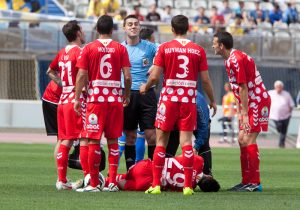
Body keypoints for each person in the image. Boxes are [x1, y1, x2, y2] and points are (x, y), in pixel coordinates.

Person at [140, 15, 216, 196]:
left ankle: (156, 184)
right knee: (187, 143)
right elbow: (205, 80)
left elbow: (155, 76)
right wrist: (212, 100)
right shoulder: (198, 50)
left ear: (172, 29)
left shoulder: (165, 48)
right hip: (188, 100)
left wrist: (146, 86)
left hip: (169, 100)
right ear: (188, 28)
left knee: (161, 142)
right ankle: (188, 186)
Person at [74, 15, 132, 192]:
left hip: (96, 101)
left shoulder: (88, 48)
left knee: (93, 140)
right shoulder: (120, 48)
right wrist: (126, 95)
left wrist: (77, 98)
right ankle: (112, 182)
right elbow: (128, 76)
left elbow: (82, 75)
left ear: (97, 30)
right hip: (115, 100)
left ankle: (93, 184)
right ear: (112, 30)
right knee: (114, 140)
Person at [212, 31, 271, 192]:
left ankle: (255, 183)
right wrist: (240, 110)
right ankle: (246, 181)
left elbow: (243, 87)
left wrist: (244, 113)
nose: (213, 45)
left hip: (257, 102)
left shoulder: (235, 60)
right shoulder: (229, 59)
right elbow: (237, 89)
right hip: (248, 103)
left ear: (221, 46)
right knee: (241, 139)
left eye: (214, 43)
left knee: (249, 139)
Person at [46, 20, 86, 190]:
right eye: (82, 31)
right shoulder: (80, 52)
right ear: (77, 33)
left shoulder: (62, 52)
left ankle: (62, 180)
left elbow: (49, 71)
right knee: (85, 138)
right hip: (75, 102)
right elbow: (83, 75)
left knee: (65, 140)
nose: (83, 34)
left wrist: (64, 84)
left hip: (63, 100)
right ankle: (89, 178)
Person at [122, 15, 157, 171]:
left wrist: (155, 64)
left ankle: (152, 172)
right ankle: (131, 171)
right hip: (127, 94)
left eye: (136, 24)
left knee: (151, 135)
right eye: (129, 24)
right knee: (130, 136)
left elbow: (166, 50)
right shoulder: (120, 48)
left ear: (139, 27)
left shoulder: (149, 47)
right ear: (124, 28)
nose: (133, 26)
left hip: (147, 94)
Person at [107, 155, 220, 192]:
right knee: (124, 184)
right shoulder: (189, 187)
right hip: (147, 183)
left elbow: (180, 156)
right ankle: (108, 182)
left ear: (209, 176)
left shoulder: (199, 161)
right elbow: (169, 188)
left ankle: (110, 177)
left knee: (127, 174)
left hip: (146, 167)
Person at [268, 80, 295, 148]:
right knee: (279, 128)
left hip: (286, 116)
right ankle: (279, 133)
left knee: (284, 131)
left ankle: (281, 144)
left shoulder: (287, 94)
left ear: (282, 87)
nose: (279, 88)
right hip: (274, 116)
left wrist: (290, 112)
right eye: (277, 87)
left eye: (280, 87)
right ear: (275, 87)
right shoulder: (270, 93)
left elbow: (291, 105)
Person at [41, 80, 62, 165]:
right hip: (54, 100)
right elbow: (50, 71)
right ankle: (61, 176)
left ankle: (62, 176)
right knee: (63, 139)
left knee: (63, 139)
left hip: (55, 98)